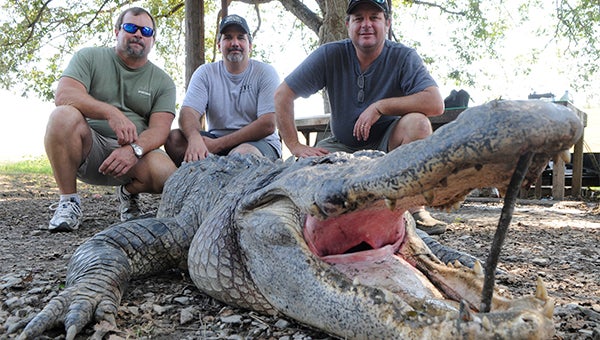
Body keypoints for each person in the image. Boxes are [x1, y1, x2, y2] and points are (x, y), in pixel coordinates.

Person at [274, 0, 447, 234]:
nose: (366, 24)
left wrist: (380, 107)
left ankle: (415, 210)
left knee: (419, 124)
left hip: (388, 143)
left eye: (374, 17)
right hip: (341, 146)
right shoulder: (330, 54)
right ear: (348, 25)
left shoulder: (403, 57)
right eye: (358, 19)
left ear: (387, 23)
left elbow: (435, 103)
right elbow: (283, 95)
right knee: (297, 172)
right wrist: (294, 145)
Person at [44, 7, 177, 232]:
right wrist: (111, 113)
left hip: (134, 156)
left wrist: (134, 149)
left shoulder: (163, 82)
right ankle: (68, 202)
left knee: (167, 174)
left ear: (153, 39)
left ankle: (128, 194)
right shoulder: (89, 57)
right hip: (89, 147)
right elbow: (64, 95)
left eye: (146, 31)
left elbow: (160, 130)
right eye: (130, 27)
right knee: (61, 116)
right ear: (116, 31)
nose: (138, 34)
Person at [165, 14, 281, 165]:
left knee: (242, 155)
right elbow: (188, 112)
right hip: (215, 142)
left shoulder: (265, 72)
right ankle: (204, 178)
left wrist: (218, 144)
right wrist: (194, 137)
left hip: (257, 143)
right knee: (174, 139)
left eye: (241, 37)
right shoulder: (205, 73)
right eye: (228, 37)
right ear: (219, 45)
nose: (235, 43)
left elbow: (268, 124)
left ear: (250, 45)